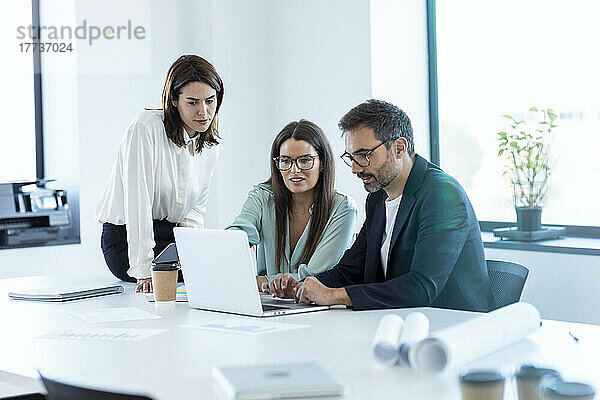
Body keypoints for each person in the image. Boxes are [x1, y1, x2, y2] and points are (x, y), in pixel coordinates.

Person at [265, 100, 495, 312]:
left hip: (453, 328)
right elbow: (351, 268)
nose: (355, 168)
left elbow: (421, 287)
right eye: (351, 157)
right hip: (399, 323)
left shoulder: (443, 195)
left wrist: (335, 295)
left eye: (364, 155)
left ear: (399, 148)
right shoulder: (377, 198)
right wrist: (303, 286)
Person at [96, 55, 224, 293]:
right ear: (174, 100)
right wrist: (144, 268)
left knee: (215, 269)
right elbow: (138, 202)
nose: (204, 112)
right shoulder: (145, 128)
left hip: (171, 238)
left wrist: (193, 252)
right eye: (193, 102)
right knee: (184, 277)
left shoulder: (209, 146)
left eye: (210, 101)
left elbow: (195, 212)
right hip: (125, 240)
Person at [227, 120, 358, 289]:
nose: (294, 170)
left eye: (305, 160)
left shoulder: (343, 208)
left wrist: (262, 282)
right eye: (285, 161)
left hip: (322, 308)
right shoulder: (262, 196)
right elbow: (239, 235)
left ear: (322, 162)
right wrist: (226, 247)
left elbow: (318, 274)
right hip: (270, 303)